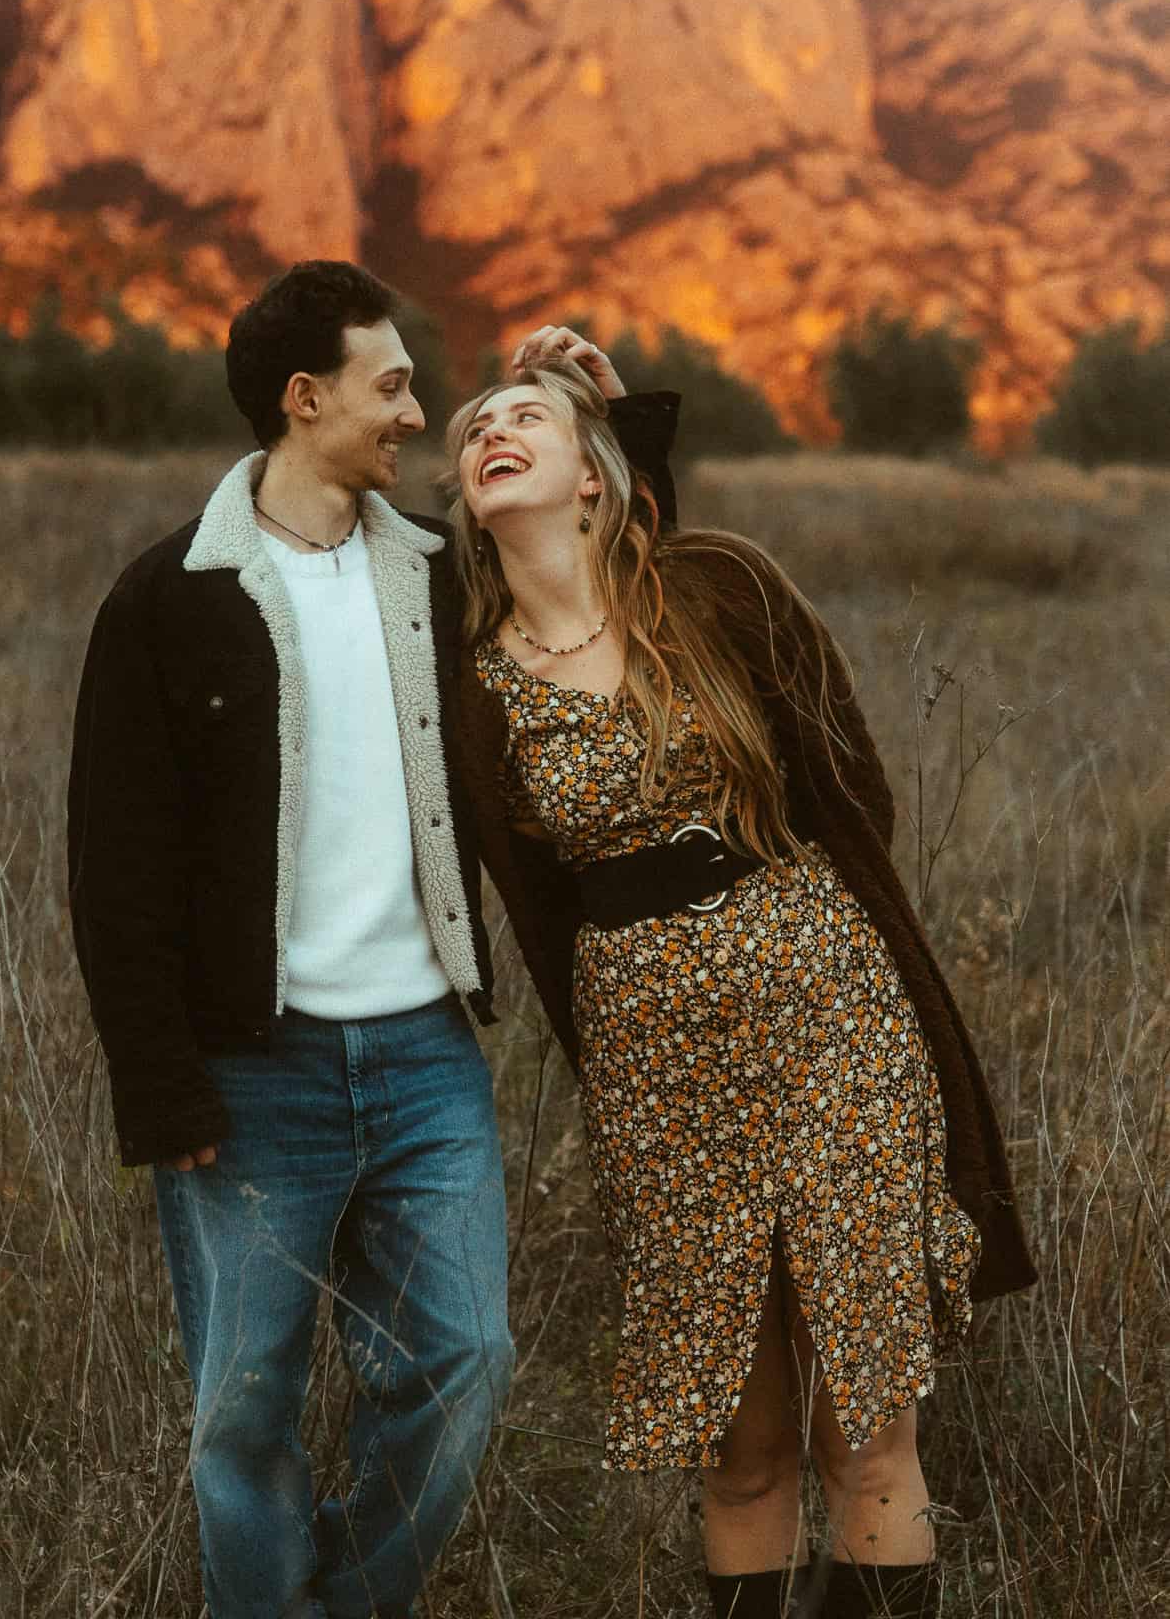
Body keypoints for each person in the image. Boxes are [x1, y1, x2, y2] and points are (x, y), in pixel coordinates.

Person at [66, 264, 677, 1619]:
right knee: (242, 1415)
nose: (416, 413)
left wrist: (608, 415)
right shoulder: (167, 598)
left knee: (462, 1362)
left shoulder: (440, 577)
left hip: (424, 1062)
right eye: (391, 383)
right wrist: (160, 1081)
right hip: (248, 1076)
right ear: (307, 398)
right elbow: (115, 870)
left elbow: (621, 569)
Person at [446, 358, 1037, 1619]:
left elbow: (853, 787)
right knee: (741, 1440)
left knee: (866, 1433)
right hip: (656, 1065)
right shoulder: (472, 675)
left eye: (525, 416)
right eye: (471, 428)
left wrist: (586, 368)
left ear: (597, 476)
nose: (492, 430)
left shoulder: (716, 586)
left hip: (830, 1014)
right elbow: (538, 908)